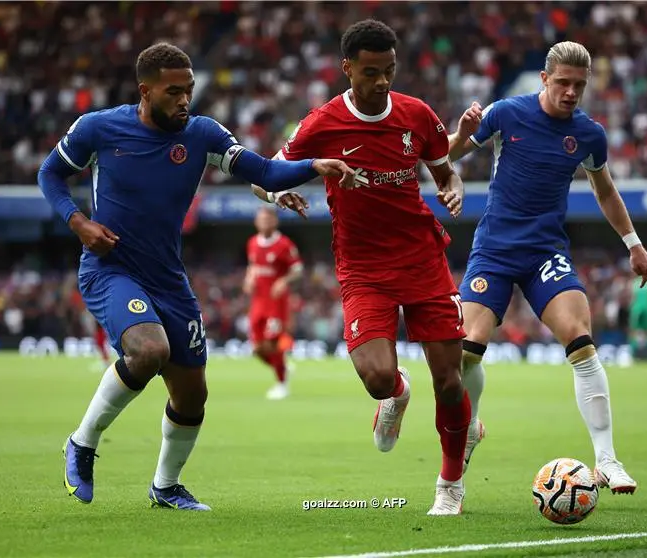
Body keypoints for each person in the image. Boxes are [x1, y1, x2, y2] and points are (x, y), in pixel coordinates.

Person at [37, 42, 355, 511]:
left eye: (188, 90)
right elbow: (50, 175)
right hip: (112, 267)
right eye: (172, 92)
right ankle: (81, 444)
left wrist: (312, 166)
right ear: (145, 91)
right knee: (149, 350)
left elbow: (265, 171)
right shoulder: (99, 128)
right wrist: (78, 222)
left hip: (168, 278)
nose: (184, 100)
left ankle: (165, 488)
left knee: (192, 395)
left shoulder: (202, 134)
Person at [252, 19, 471, 515]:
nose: (382, 82)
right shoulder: (321, 124)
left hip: (421, 258)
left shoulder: (418, 115)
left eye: (389, 70)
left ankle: (450, 484)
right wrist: (278, 191)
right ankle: (395, 393)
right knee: (375, 375)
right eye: (371, 72)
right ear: (347, 68)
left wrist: (451, 186)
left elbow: (444, 168)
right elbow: (262, 174)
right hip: (363, 266)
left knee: (451, 380)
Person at [447, 41, 647, 494]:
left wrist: (634, 244)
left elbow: (605, 192)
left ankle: (607, 460)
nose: (570, 92)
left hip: (545, 251)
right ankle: (470, 427)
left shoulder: (588, 134)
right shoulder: (506, 113)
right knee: (465, 350)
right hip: (496, 249)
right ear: (544, 79)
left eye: (578, 86)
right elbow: (447, 156)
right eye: (562, 83)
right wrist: (463, 133)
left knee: (581, 341)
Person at [243, 206, 303, 400]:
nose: (265, 223)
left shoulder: (284, 244)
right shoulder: (252, 243)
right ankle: (283, 368)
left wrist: (283, 280)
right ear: (256, 222)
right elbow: (253, 266)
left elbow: (298, 270)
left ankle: (282, 384)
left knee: (273, 343)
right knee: (257, 349)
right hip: (258, 302)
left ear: (275, 222)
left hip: (276, 303)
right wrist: (248, 278)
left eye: (268, 220)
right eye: (261, 220)